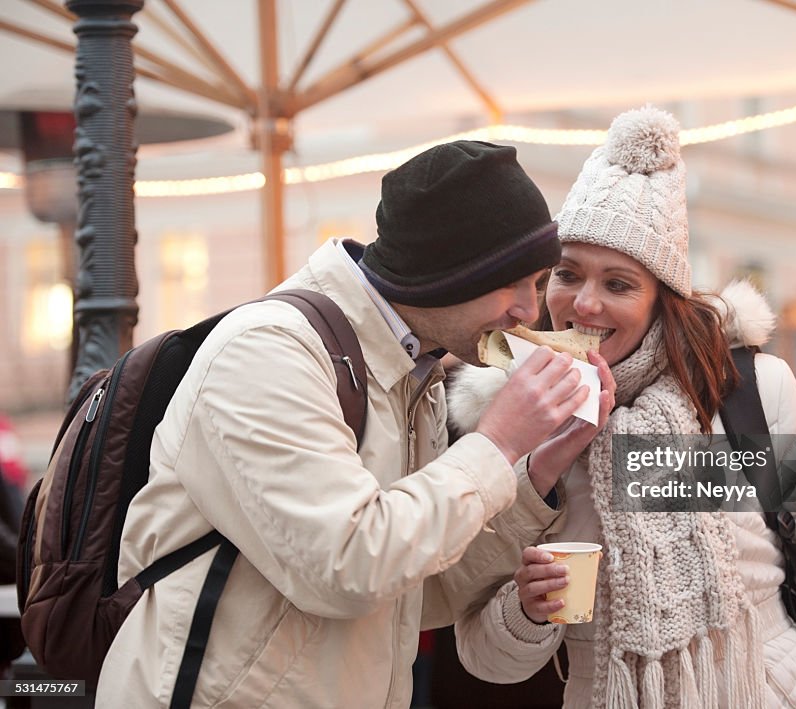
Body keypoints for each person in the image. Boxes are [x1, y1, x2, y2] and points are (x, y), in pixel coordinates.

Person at [96, 140, 611, 707]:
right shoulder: (267, 352)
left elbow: (417, 591)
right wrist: (498, 441)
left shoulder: (411, 371)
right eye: (515, 282)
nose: (529, 311)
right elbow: (350, 568)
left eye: (538, 282)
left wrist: (538, 470)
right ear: (449, 274)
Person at [449, 108, 796, 707]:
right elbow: (486, 659)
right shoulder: (511, 422)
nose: (585, 304)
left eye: (619, 284)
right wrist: (528, 610)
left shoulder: (752, 392)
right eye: (567, 274)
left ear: (660, 301)